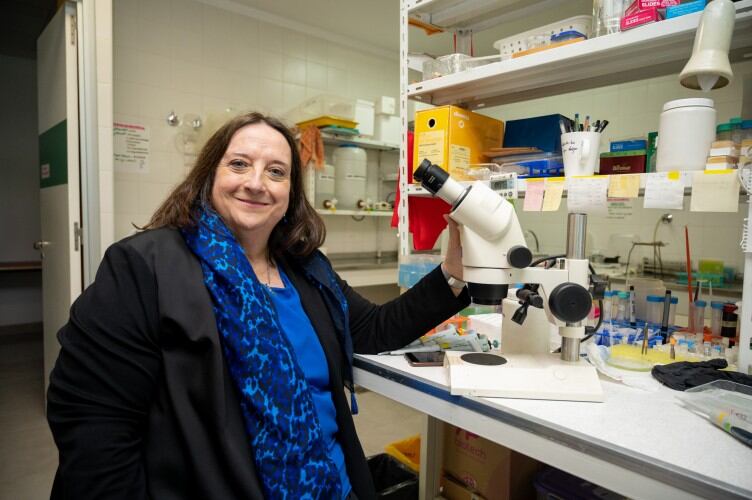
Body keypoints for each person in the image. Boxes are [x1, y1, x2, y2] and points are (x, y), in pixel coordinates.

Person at [47, 111, 469, 499]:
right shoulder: (145, 266)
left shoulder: (305, 268)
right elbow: (92, 423)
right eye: (239, 164)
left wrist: (453, 270)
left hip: (332, 484)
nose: (256, 182)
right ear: (208, 175)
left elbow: (376, 328)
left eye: (276, 172)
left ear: (291, 192)